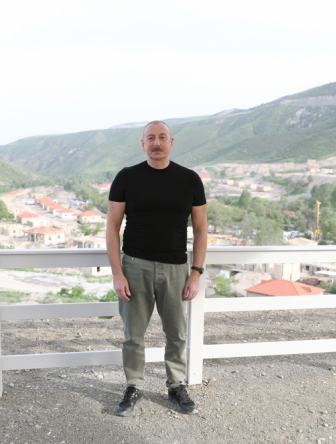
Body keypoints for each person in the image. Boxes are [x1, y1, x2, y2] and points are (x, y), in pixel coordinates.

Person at [106, 120, 208, 417]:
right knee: (133, 335)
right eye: (150, 138)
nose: (156, 143)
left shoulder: (190, 179)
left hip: (176, 268)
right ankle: (133, 385)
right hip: (134, 267)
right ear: (143, 144)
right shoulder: (127, 177)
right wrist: (117, 274)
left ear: (171, 142)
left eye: (162, 137)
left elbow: (201, 229)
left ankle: (176, 385)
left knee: (177, 333)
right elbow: (112, 227)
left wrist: (196, 272)